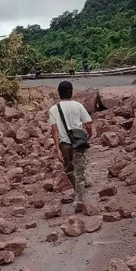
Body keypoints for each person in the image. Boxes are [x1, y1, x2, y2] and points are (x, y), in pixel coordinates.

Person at [48, 80, 92, 211]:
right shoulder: (78, 106)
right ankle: (80, 199)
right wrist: (88, 135)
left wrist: (57, 148)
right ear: (71, 92)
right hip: (78, 142)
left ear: (59, 93)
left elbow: (54, 129)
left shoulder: (53, 109)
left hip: (64, 144)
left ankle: (78, 194)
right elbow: (88, 123)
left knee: (69, 170)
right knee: (80, 171)